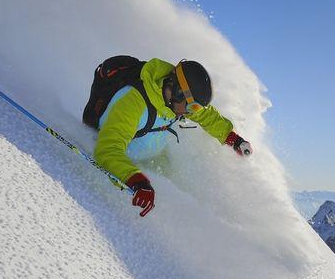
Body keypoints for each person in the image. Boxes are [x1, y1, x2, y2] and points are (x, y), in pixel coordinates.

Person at [83, 57, 252, 217]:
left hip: (154, 155)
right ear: (178, 92)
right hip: (124, 163)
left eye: (196, 109)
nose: (191, 113)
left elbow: (207, 116)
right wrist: (136, 181)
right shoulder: (133, 102)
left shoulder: (176, 102)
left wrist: (233, 138)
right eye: (192, 107)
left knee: (180, 192)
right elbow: (108, 149)